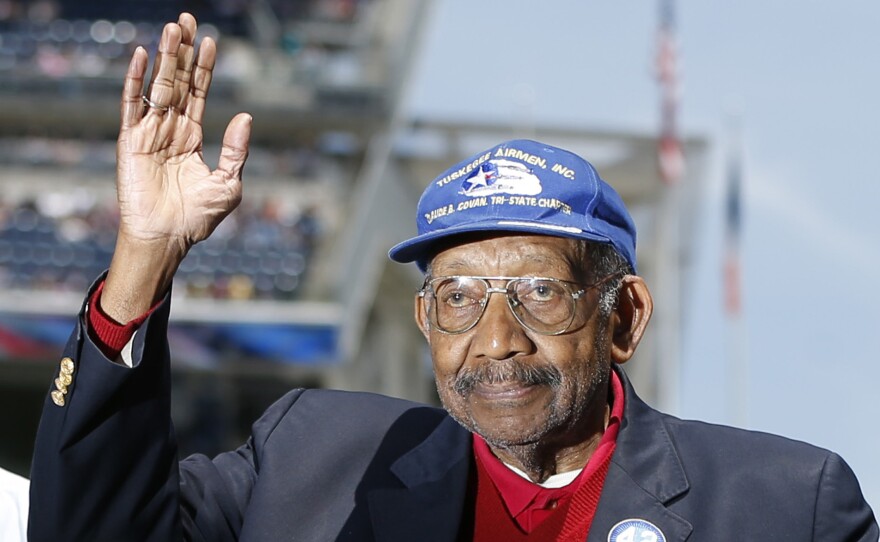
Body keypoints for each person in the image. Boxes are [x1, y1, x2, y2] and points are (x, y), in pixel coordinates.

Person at [28, 13, 877, 542]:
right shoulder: (311, 459)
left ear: (624, 318)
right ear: (426, 319)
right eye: (460, 298)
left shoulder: (785, 506)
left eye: (540, 292)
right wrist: (142, 259)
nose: (495, 341)